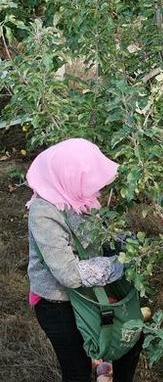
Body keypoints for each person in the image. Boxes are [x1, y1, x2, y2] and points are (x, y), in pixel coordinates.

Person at [26, 138, 143, 382]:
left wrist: (132, 244)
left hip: (90, 292)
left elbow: (103, 235)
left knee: (129, 341)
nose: (94, 188)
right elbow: (68, 274)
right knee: (77, 371)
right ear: (70, 176)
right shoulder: (43, 213)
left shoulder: (78, 196)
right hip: (57, 302)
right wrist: (121, 263)